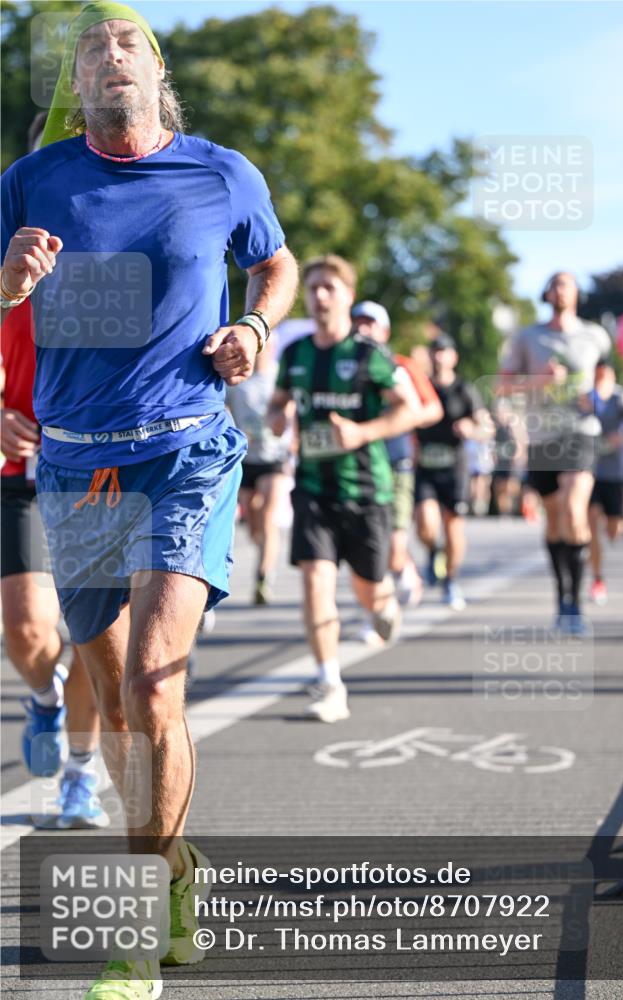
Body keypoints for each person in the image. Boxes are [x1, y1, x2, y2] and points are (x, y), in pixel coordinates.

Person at [1, 5, 298, 998]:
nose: (108, 57)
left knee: (151, 690)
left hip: (187, 453)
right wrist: (8, 286)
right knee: (113, 694)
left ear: (156, 74)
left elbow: (276, 259)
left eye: (127, 44)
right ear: (75, 88)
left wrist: (255, 326)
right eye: (91, 50)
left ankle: (134, 934)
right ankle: (174, 871)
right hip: (75, 466)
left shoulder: (221, 172)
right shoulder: (31, 183)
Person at [1, 113, 107, 828]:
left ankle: (79, 775)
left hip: (102, 463)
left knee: (95, 631)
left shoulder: (126, 241)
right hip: (23, 464)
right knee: (27, 630)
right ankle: (44, 697)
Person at [268, 255, 415, 723]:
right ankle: (330, 681)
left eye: (329, 286)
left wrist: (362, 433)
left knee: (369, 591)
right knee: (315, 581)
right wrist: (277, 420)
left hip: (366, 489)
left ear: (348, 296)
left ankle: (385, 601)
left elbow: (407, 410)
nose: (320, 295)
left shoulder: (369, 354)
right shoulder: (295, 355)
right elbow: (278, 405)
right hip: (312, 487)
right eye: (312, 288)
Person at [499, 272, 611, 634]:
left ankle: (575, 605)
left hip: (580, 433)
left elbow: (605, 375)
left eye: (568, 283)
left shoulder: (594, 335)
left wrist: (598, 397)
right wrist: (539, 382)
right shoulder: (528, 337)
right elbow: (503, 385)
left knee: (573, 508)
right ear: (546, 293)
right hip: (542, 437)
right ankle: (561, 598)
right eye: (556, 284)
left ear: (576, 293)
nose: (562, 289)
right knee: (554, 519)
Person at [350, 300, 443, 625]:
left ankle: (404, 571)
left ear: (385, 331)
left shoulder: (400, 364)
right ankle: (377, 612)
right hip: (358, 466)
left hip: (396, 461)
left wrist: (398, 415)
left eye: (370, 323)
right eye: (357, 322)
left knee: (393, 545)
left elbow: (432, 409)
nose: (363, 329)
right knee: (366, 547)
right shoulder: (342, 363)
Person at [415, 332, 491, 610]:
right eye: (434, 351)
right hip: (424, 464)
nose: (438, 356)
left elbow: (486, 426)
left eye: (444, 351)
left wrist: (472, 429)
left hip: (454, 466)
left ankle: (451, 580)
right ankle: (434, 552)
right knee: (425, 523)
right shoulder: (421, 386)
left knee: (453, 526)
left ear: (453, 357)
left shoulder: (464, 389)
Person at [226, 336, 293, 604]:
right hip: (246, 457)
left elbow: (292, 411)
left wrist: (286, 432)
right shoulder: (240, 378)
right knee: (253, 521)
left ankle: (264, 575)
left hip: (275, 457)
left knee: (267, 515)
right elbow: (223, 410)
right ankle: (266, 549)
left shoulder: (279, 377)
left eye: (268, 346)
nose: (263, 351)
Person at [586, 358, 623, 604]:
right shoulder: (586, 397)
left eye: (604, 376)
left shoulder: (622, 398)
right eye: (597, 376)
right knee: (590, 524)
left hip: (615, 473)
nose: (600, 381)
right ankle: (597, 579)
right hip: (588, 471)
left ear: (612, 376)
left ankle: (621, 525)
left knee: (613, 530)